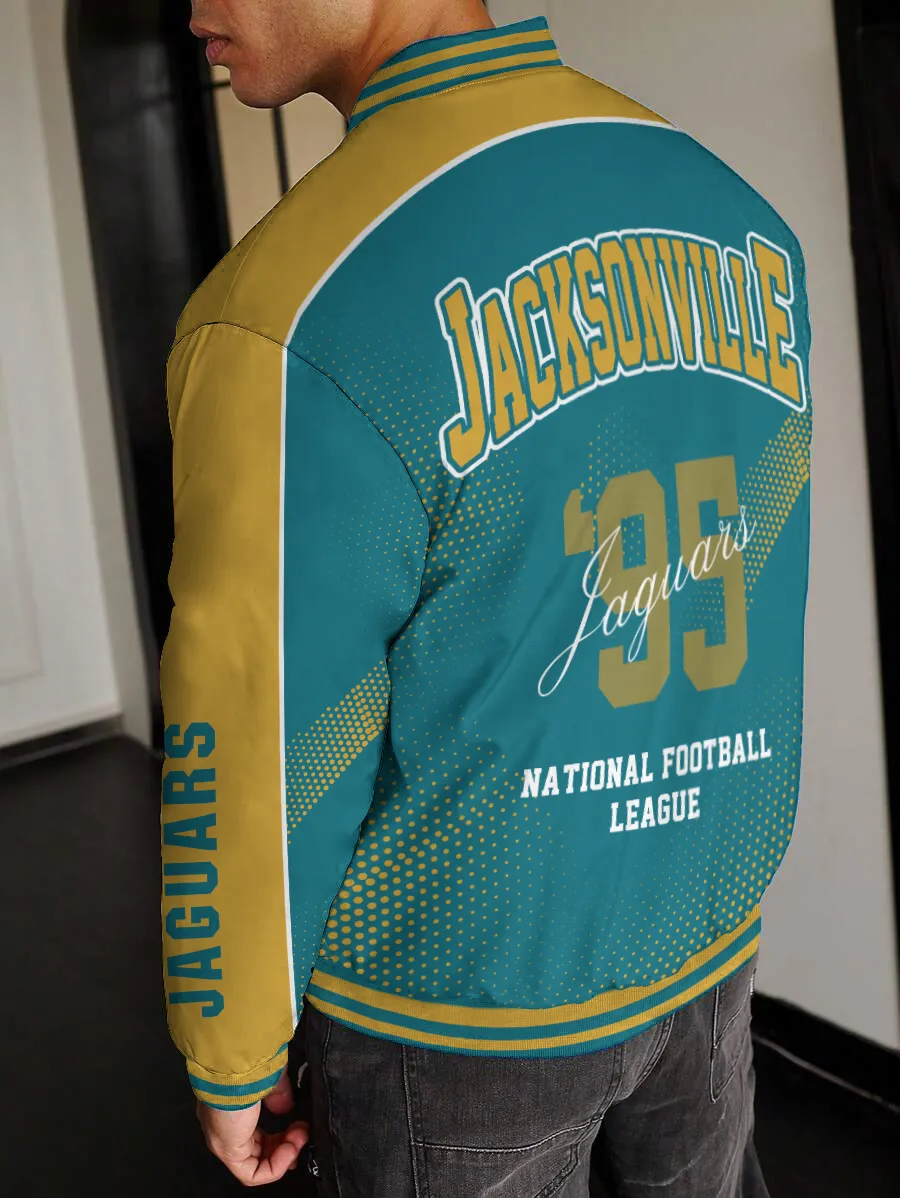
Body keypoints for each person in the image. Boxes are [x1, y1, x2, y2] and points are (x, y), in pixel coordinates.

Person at [160, 1, 812, 1193]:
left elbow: (255, 731)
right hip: (706, 944)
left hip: (455, 1010)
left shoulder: (290, 310)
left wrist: (229, 1045)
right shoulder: (738, 219)